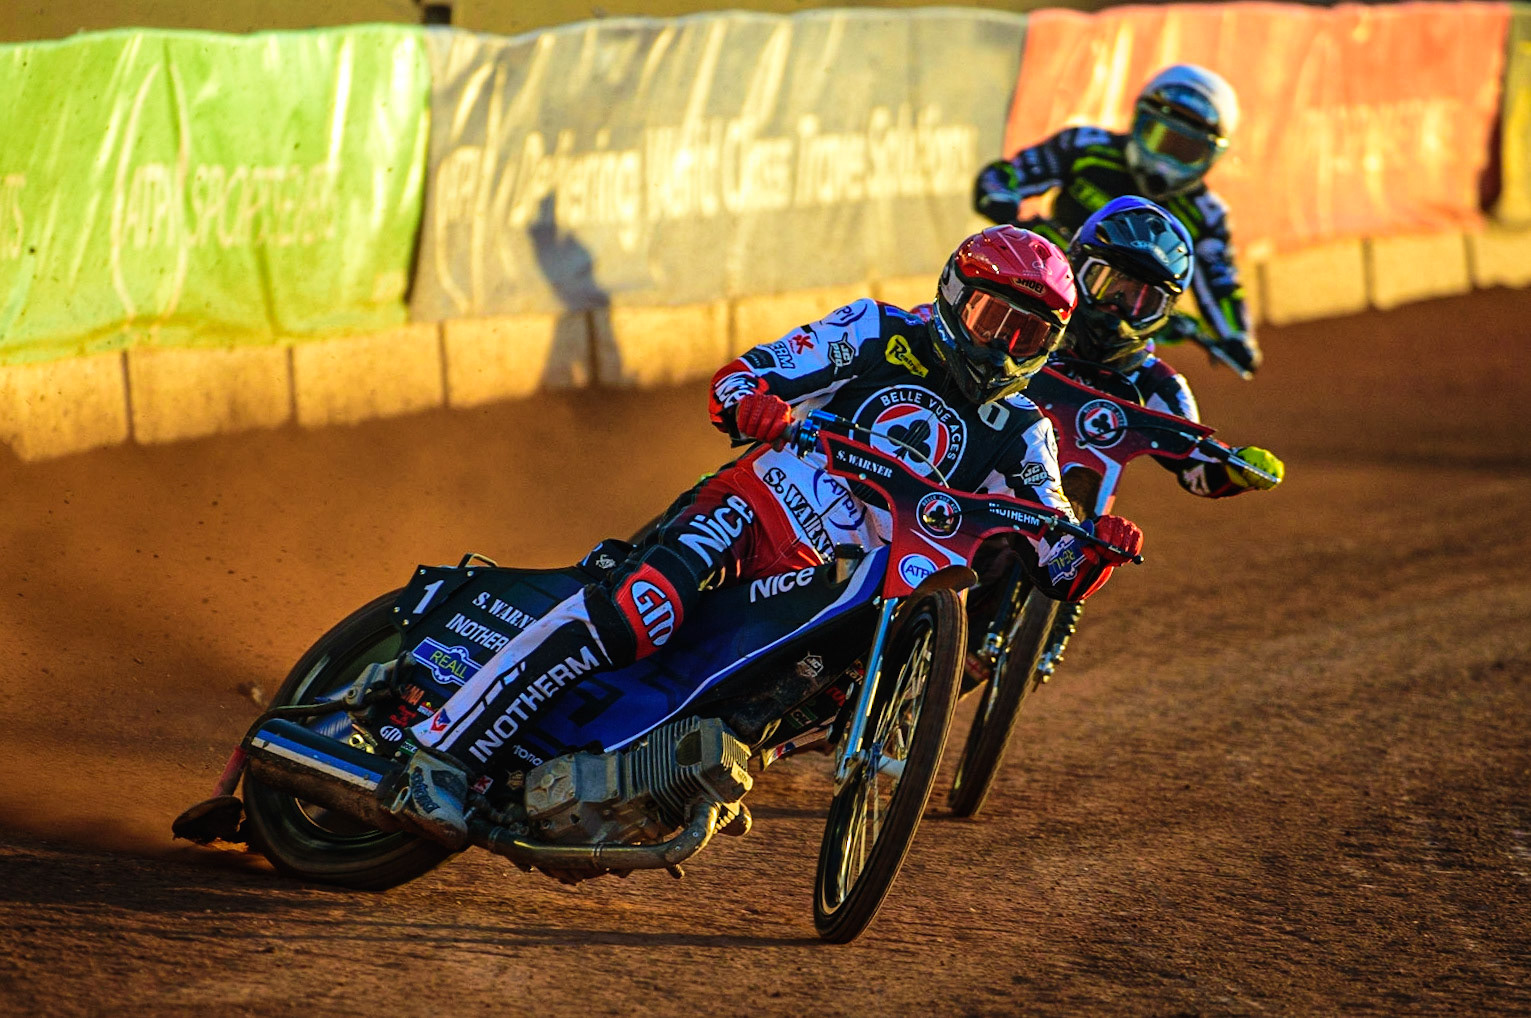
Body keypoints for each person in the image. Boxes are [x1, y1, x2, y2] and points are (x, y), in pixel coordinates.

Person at [390, 226, 1146, 848]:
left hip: (840, 588)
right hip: (754, 508)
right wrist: (749, 402)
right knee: (637, 610)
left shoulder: (1023, 430)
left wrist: (1093, 553)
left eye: (1028, 335)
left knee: (798, 710)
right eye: (992, 321)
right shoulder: (876, 329)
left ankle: (652, 782)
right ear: (952, 297)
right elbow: (751, 373)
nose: (1003, 349)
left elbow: (1053, 538)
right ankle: (437, 752)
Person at [997, 195, 1283, 682]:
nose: (1117, 310)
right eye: (1109, 285)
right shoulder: (1030, 327)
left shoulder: (1160, 384)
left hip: (1070, 509)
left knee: (1100, 541)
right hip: (970, 474)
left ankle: (1049, 628)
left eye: (1141, 301)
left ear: (1163, 312)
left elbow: (1193, 466)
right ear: (1076, 268)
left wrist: (1232, 470)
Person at [971, 64, 1262, 377]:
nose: (1164, 162)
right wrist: (1002, 199)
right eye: (1159, 137)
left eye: (1185, 150)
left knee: (1139, 386)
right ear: (1138, 121)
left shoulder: (1206, 214)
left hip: (1126, 326)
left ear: (1211, 155)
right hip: (1048, 292)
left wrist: (1236, 336)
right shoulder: (1086, 146)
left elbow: (1220, 280)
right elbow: (1004, 176)